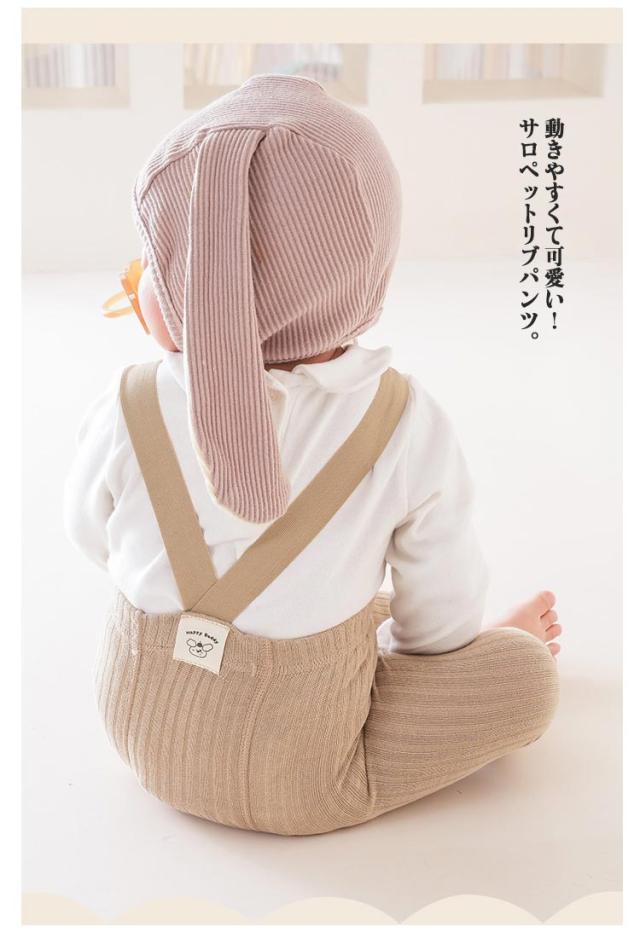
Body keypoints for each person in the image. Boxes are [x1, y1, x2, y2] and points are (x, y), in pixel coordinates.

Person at [64, 73, 560, 836]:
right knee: (525, 680)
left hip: (138, 719)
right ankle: (493, 645)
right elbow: (440, 614)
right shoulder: (403, 422)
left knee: (323, 597)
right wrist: (456, 658)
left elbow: (89, 535)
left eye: (156, 264)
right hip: (302, 773)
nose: (139, 280)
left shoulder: (128, 402)